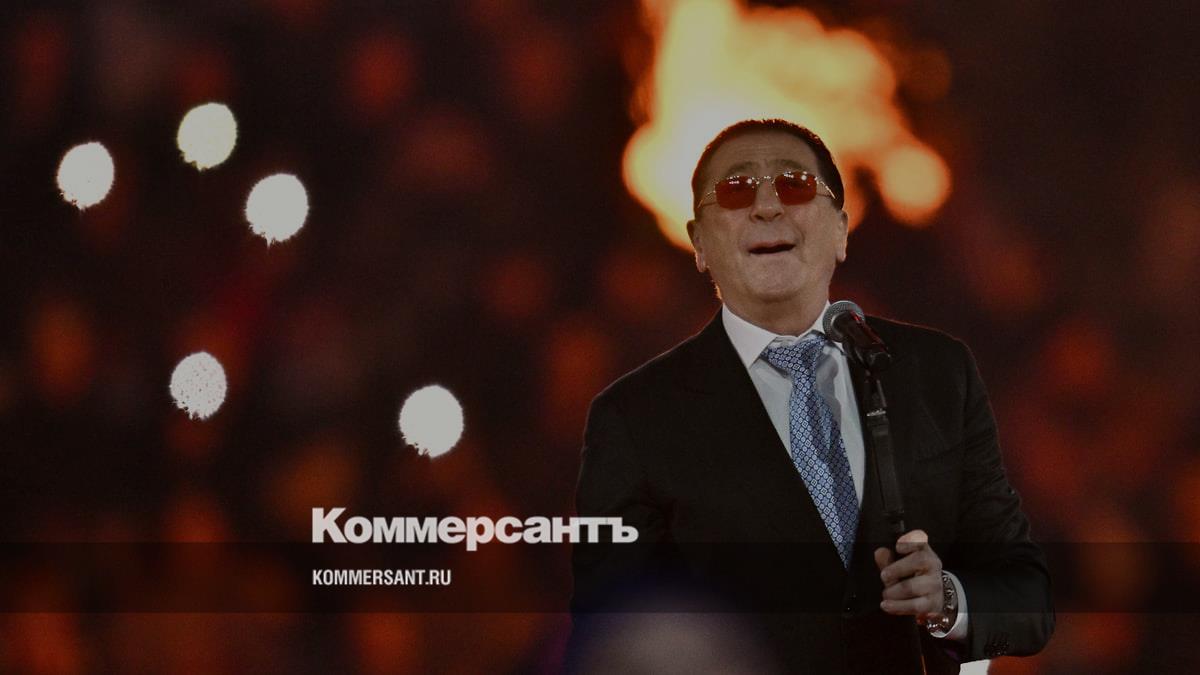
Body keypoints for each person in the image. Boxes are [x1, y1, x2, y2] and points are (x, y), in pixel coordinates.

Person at [570, 119, 1053, 673]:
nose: (767, 207)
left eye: (795, 185)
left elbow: (1027, 603)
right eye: (736, 190)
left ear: (841, 231)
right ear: (699, 243)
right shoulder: (634, 416)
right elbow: (611, 638)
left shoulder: (938, 372)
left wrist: (947, 600)